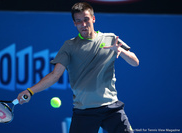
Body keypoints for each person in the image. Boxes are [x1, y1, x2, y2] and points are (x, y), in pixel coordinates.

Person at [17, 2, 139, 133]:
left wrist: (121, 51)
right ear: (74, 23)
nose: (84, 25)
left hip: (111, 108)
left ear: (93, 18)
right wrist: (30, 91)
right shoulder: (69, 46)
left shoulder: (111, 38)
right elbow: (54, 75)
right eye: (79, 21)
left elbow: (135, 62)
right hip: (84, 111)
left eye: (86, 19)